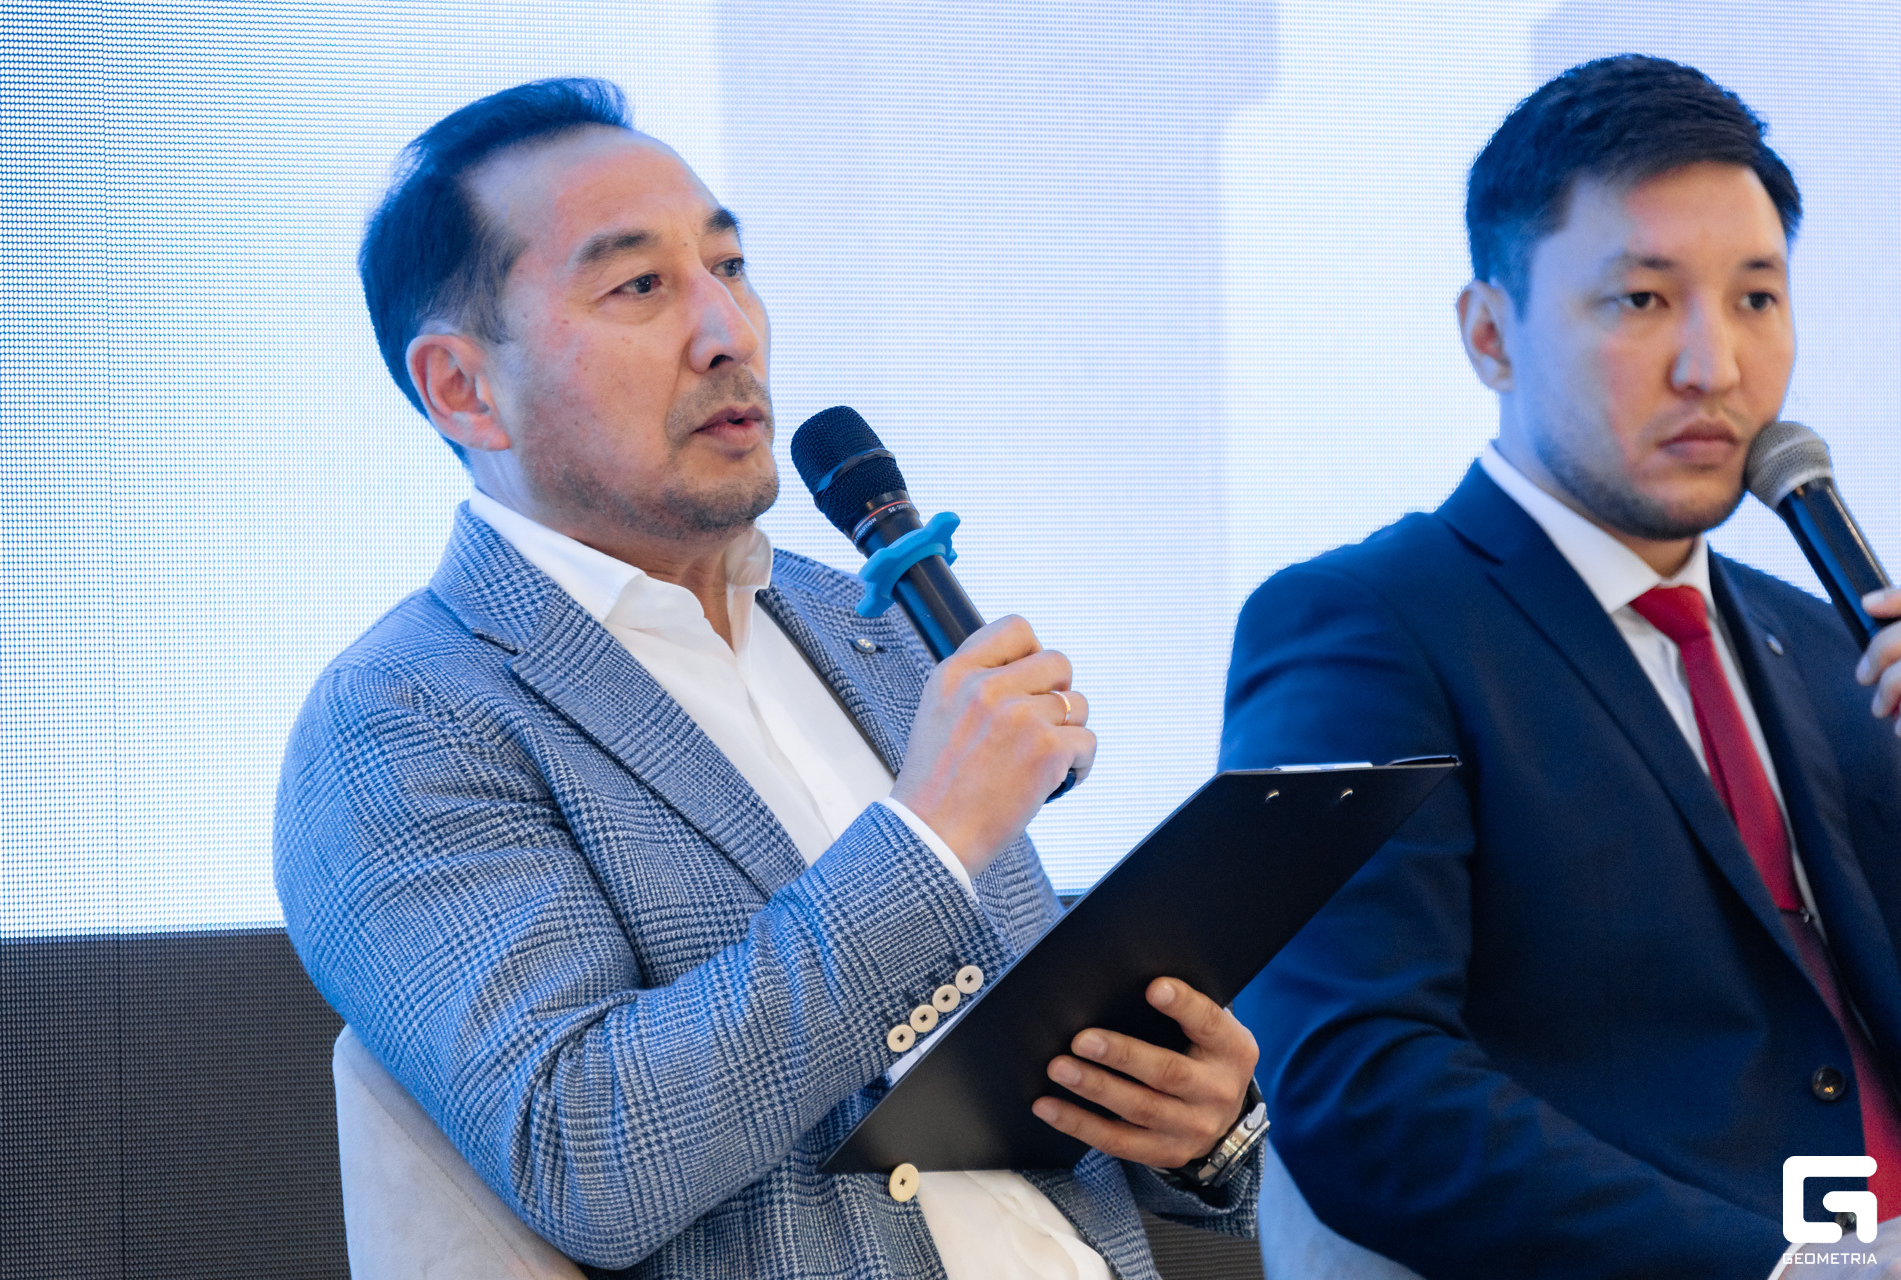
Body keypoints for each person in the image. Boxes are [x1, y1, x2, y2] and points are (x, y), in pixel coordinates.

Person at [275, 78, 1262, 1279]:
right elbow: (591, 1152)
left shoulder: (863, 619)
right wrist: (930, 836)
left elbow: (1021, 1082)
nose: (728, 330)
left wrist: (1197, 1125)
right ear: (462, 388)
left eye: (731, 265)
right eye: (640, 286)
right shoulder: (407, 717)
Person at [1222, 55, 1901, 1279]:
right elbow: (1359, 1084)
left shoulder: (1826, 640)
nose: (1715, 365)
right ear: (1490, 333)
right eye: (1642, 299)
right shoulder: (1366, 625)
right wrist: (1788, 1269)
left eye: (1757, 297)